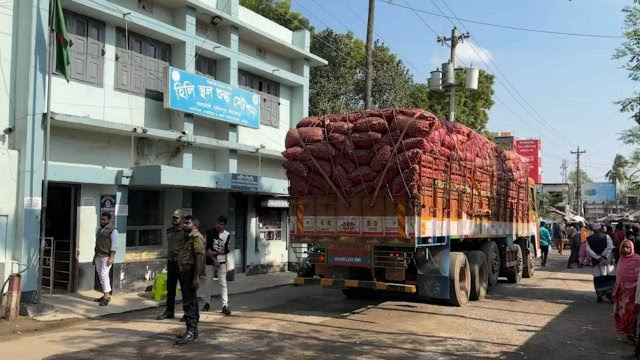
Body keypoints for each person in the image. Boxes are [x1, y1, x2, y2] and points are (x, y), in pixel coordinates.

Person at [175, 215, 205, 346]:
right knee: (191, 300)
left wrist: (196, 276)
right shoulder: (189, 237)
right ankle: (193, 330)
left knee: (189, 302)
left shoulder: (197, 237)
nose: (184, 225)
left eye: (187, 223)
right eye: (184, 223)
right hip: (185, 272)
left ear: (194, 224)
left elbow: (198, 258)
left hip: (190, 272)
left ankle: (191, 331)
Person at [157, 209, 186, 320]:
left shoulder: (185, 232)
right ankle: (169, 311)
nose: (174, 220)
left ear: (182, 219)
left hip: (181, 263)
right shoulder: (169, 231)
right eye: (173, 217)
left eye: (176, 218)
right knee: (171, 288)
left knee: (184, 289)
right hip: (171, 262)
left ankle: (186, 313)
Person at [202, 215, 232, 316]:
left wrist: (220, 254)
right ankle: (207, 303)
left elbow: (227, 249)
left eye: (221, 224)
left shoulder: (227, 235)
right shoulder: (210, 232)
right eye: (218, 223)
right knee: (208, 283)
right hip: (210, 262)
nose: (219, 226)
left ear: (224, 225)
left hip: (222, 262)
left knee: (223, 283)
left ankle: (225, 305)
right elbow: (206, 250)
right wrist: (214, 258)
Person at [614, 239, 640, 342]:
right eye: (623, 247)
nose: (625, 249)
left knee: (632, 314)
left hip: (634, 292)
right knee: (623, 314)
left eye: (627, 247)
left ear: (632, 248)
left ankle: (632, 334)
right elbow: (619, 277)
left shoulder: (638, 259)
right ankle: (628, 334)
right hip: (622, 293)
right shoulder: (621, 259)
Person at [586, 224, 616, 302]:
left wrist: (597, 257)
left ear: (593, 230)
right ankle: (609, 295)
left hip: (596, 262)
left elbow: (588, 250)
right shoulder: (606, 237)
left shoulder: (589, 239)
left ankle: (599, 296)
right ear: (600, 229)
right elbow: (610, 247)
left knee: (598, 278)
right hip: (606, 261)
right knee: (609, 277)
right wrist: (603, 256)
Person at [94, 212, 117, 306]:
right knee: (100, 275)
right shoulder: (100, 230)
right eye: (101, 219)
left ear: (109, 220)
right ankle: (105, 295)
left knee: (104, 275)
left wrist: (111, 257)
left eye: (104, 219)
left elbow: (114, 245)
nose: (102, 221)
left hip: (106, 256)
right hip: (98, 255)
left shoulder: (113, 231)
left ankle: (106, 297)